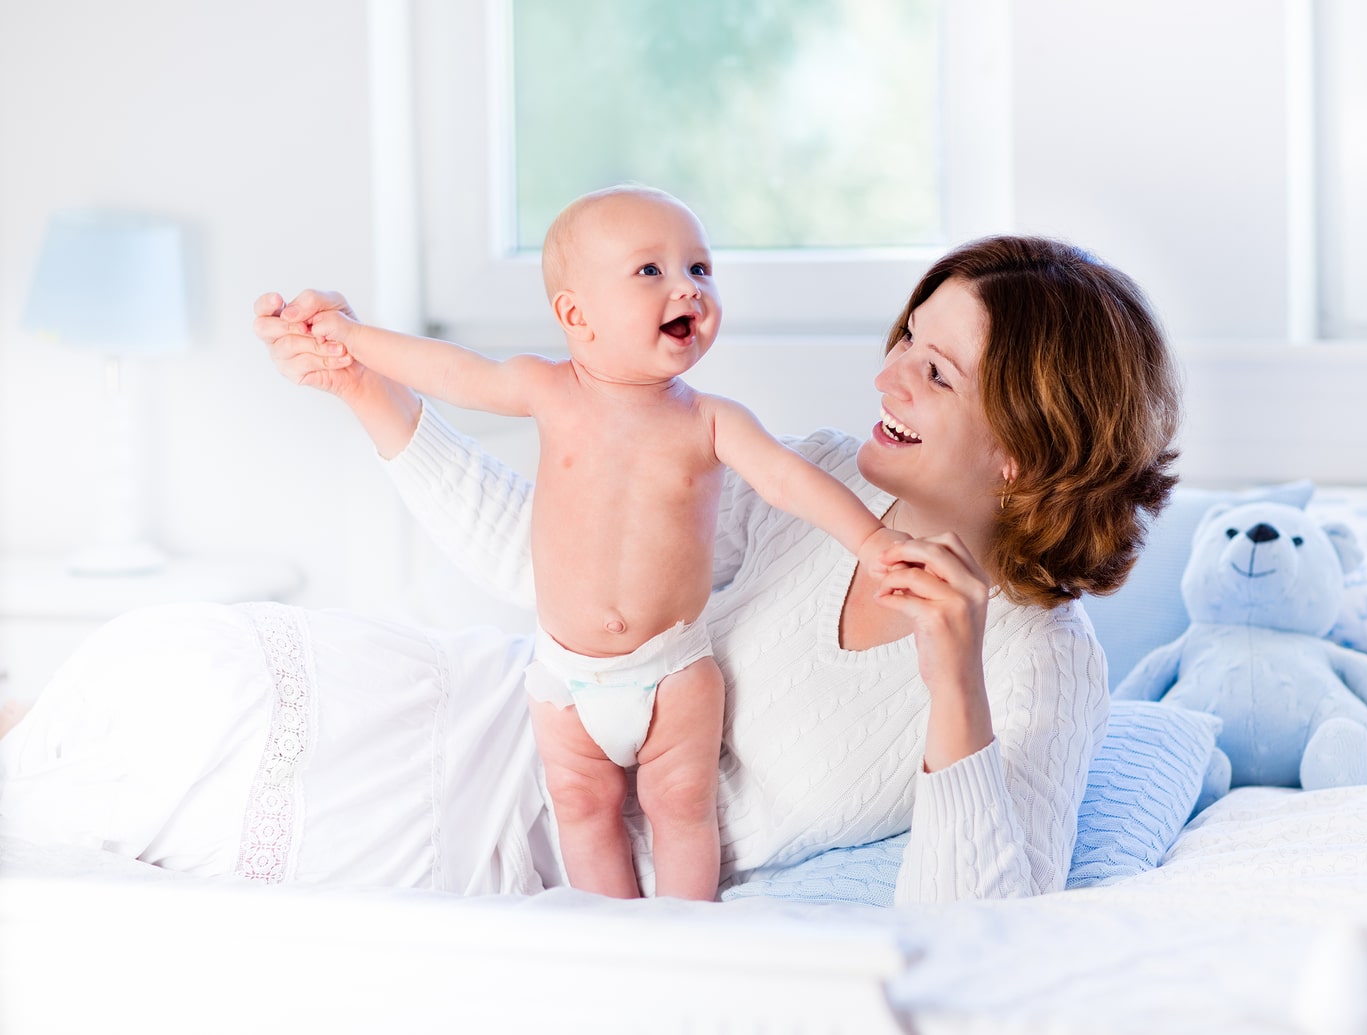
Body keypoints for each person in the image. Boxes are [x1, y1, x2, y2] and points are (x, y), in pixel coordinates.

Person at [0, 234, 1180, 904]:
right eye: (903, 344)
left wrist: (952, 691)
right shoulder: (816, 479)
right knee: (159, 681)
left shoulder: (1040, 664)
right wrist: (368, 384)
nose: (886, 380)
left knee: (125, 776)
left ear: (1025, 450)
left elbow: (979, 932)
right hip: (482, 710)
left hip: (497, 839)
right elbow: (554, 568)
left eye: (934, 374)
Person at [292, 185, 900, 901]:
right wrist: (351, 339)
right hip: (564, 680)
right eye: (651, 271)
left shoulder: (710, 419)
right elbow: (451, 372)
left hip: (673, 671)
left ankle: (684, 934)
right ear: (576, 316)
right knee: (581, 811)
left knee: (682, 808)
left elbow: (788, 482)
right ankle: (610, 933)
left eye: (700, 269)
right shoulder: (549, 390)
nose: (688, 288)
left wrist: (871, 540)